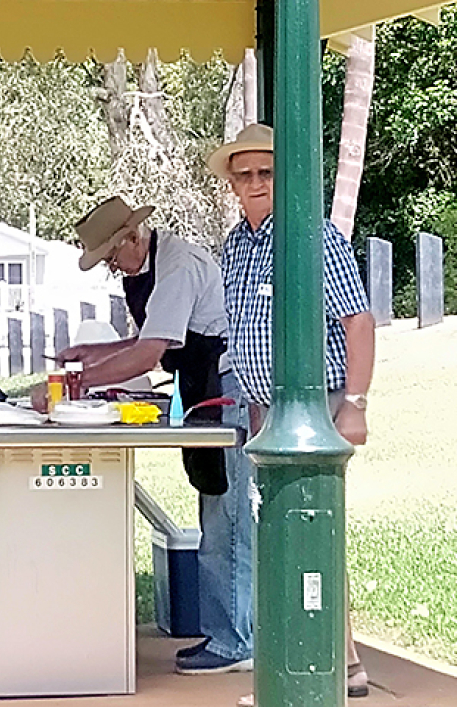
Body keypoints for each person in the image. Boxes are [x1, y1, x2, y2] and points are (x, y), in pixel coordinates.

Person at [33, 196, 255, 675]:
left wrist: (77, 383)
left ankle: (235, 641)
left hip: (227, 386)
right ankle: (230, 630)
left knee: (228, 516)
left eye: (113, 257)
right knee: (215, 503)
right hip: (201, 386)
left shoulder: (177, 267)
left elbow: (149, 354)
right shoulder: (153, 265)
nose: (114, 268)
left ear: (134, 237)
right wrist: (92, 353)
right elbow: (150, 337)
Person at [209, 124, 376, 702]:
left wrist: (355, 405)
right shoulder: (235, 245)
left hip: (318, 405)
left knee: (309, 532)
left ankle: (332, 666)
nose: (256, 183)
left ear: (286, 177)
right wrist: (255, 410)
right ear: (232, 184)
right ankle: (307, 659)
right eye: (245, 175)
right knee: (276, 536)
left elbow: (358, 322)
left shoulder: (313, 237)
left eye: (267, 172)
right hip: (264, 410)